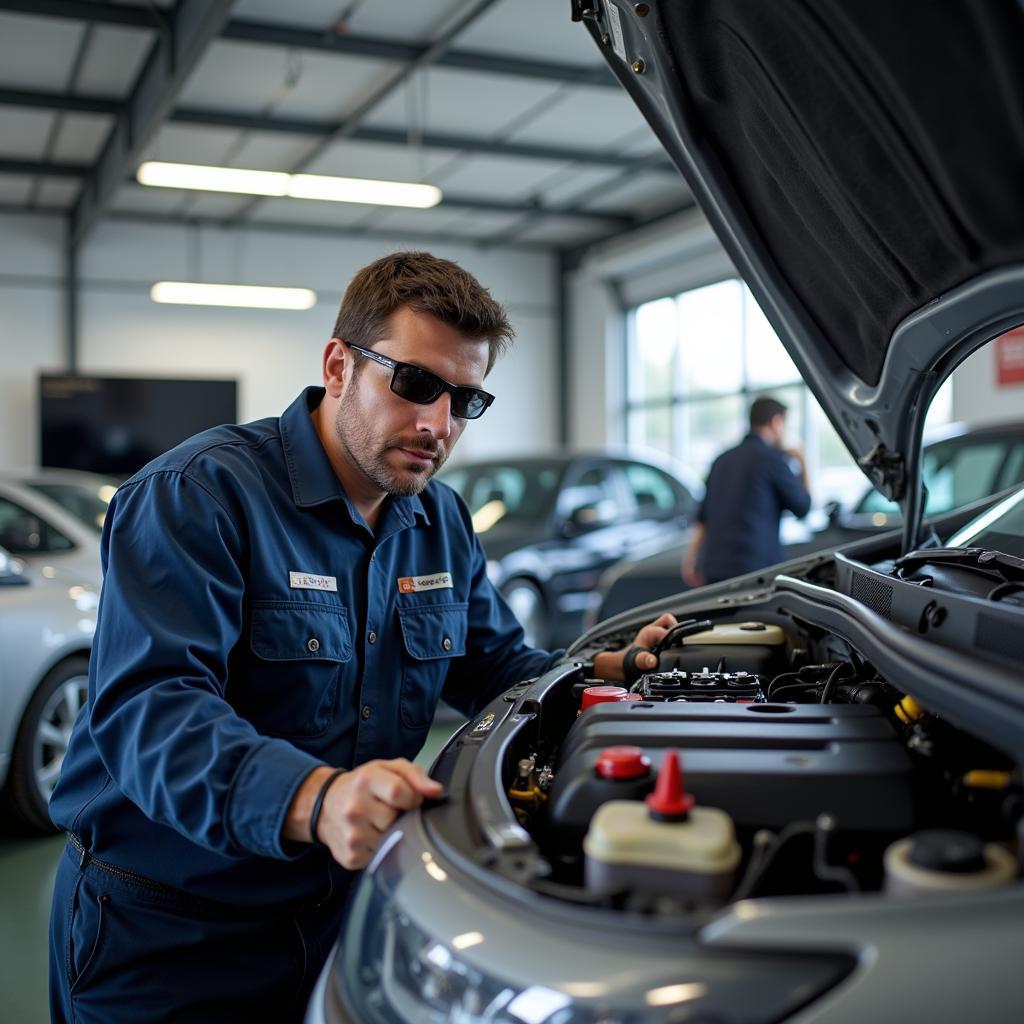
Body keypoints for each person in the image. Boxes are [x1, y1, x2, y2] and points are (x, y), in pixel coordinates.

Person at [48, 251, 676, 1024]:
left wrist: (596, 673)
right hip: (169, 934)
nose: (437, 425)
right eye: (414, 384)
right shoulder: (197, 496)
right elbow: (152, 710)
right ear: (339, 365)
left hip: (342, 918)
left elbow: (495, 665)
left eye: (465, 401)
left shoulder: (440, 519)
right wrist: (317, 797)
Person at [682, 396, 811, 587]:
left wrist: (690, 560)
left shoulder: (721, 460)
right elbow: (803, 507)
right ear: (776, 422)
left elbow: (703, 518)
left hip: (715, 570)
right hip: (756, 572)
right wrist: (802, 460)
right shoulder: (772, 459)